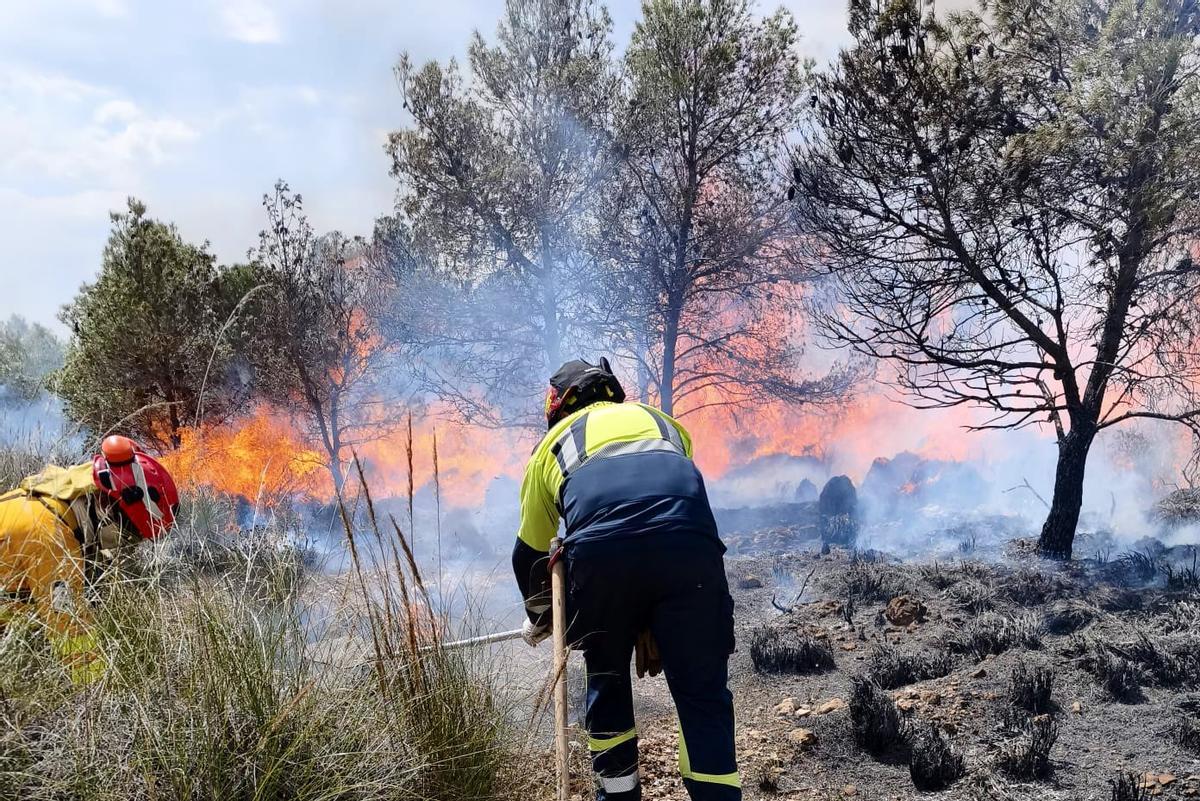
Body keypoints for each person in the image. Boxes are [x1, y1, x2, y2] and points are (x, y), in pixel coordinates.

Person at [512, 358, 739, 801]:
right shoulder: (664, 423)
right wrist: (658, 611)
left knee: (607, 680)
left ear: (557, 406)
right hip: (691, 550)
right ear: (612, 391)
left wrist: (541, 615)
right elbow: (670, 500)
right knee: (702, 695)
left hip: (602, 560)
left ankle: (618, 796)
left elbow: (530, 554)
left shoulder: (552, 447)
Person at [0, 435, 179, 684]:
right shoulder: (52, 535)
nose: (125, 545)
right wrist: (98, 689)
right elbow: (69, 625)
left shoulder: (52, 505)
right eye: (128, 534)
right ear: (107, 504)